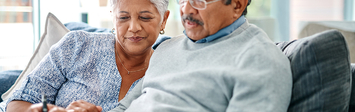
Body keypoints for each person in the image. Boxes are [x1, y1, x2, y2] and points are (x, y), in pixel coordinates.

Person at [109, 0, 293, 111]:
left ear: (237, 4)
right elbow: (124, 108)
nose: (186, 10)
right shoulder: (167, 47)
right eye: (182, 0)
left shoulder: (261, 61)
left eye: (199, 1)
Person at [5, 0, 170, 111]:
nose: (134, 27)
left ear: (164, 20)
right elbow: (17, 101)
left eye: (145, 17)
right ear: (113, 17)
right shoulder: (77, 44)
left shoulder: (167, 72)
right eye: (123, 17)